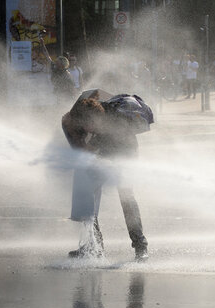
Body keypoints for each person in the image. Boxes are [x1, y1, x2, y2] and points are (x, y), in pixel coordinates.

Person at [62, 89, 151, 262]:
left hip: (126, 153)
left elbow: (92, 150)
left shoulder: (114, 124)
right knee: (86, 195)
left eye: (89, 126)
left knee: (126, 197)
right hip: (105, 152)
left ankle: (140, 246)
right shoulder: (92, 112)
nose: (87, 130)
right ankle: (94, 246)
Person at [39, 34, 77, 105]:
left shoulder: (67, 74)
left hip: (66, 96)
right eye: (56, 62)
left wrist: (74, 100)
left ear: (62, 65)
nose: (55, 62)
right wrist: (42, 45)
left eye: (57, 62)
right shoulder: (54, 67)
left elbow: (72, 88)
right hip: (57, 93)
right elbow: (47, 56)